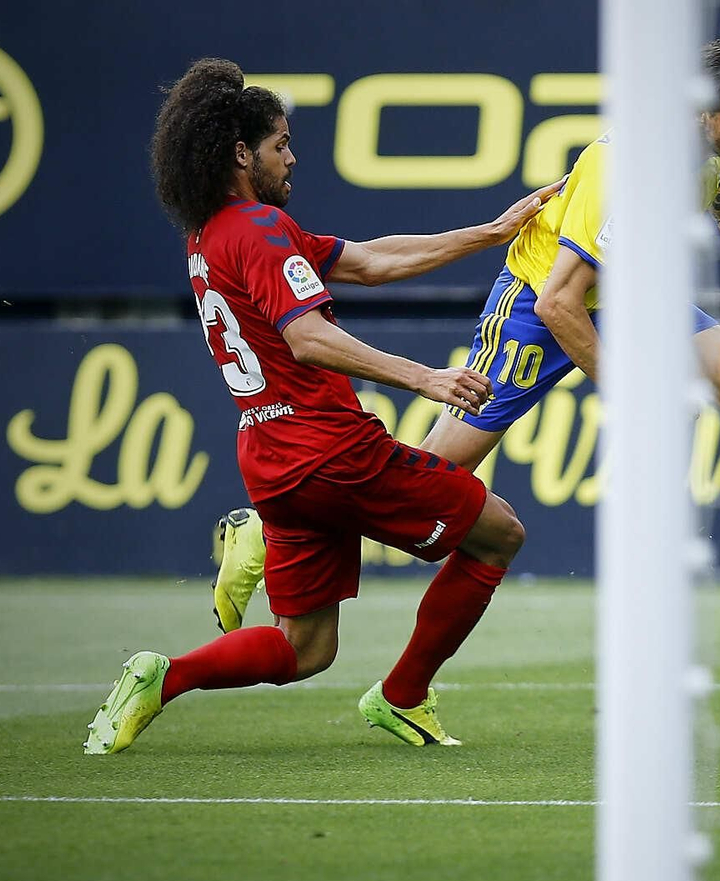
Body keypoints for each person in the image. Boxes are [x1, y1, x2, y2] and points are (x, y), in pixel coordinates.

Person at [210, 37, 720, 632]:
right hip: (537, 306)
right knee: (433, 478)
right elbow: (561, 304)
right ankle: (266, 538)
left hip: (623, 295)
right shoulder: (629, 169)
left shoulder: (710, 150)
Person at [83, 58, 557, 755]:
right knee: (500, 533)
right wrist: (424, 377)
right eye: (280, 144)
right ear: (241, 153)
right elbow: (307, 339)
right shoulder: (260, 229)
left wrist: (487, 234)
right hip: (332, 449)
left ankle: (163, 676)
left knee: (306, 650)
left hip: (271, 459)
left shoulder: (211, 236)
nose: (292, 156)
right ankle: (401, 696)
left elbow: (372, 262)